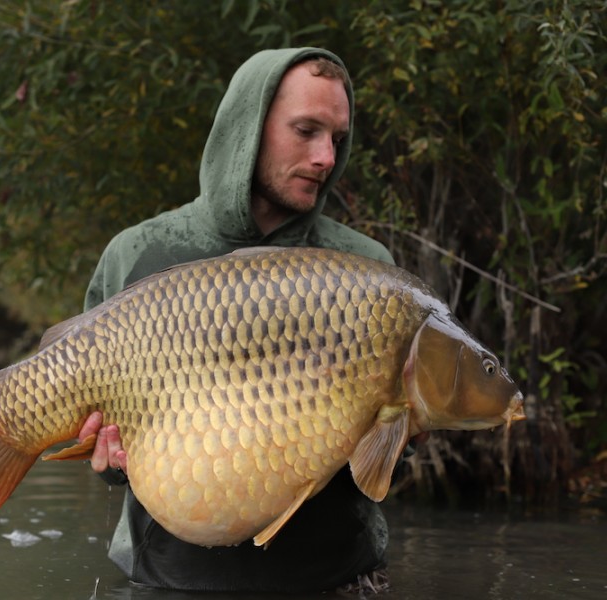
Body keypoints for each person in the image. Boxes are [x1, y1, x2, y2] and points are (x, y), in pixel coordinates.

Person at [78, 47, 396, 593]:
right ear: (247, 131)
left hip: (332, 579)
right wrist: (108, 459)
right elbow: (104, 451)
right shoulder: (140, 254)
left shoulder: (368, 273)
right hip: (171, 579)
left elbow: (389, 457)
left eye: (337, 140)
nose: (325, 157)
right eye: (306, 131)